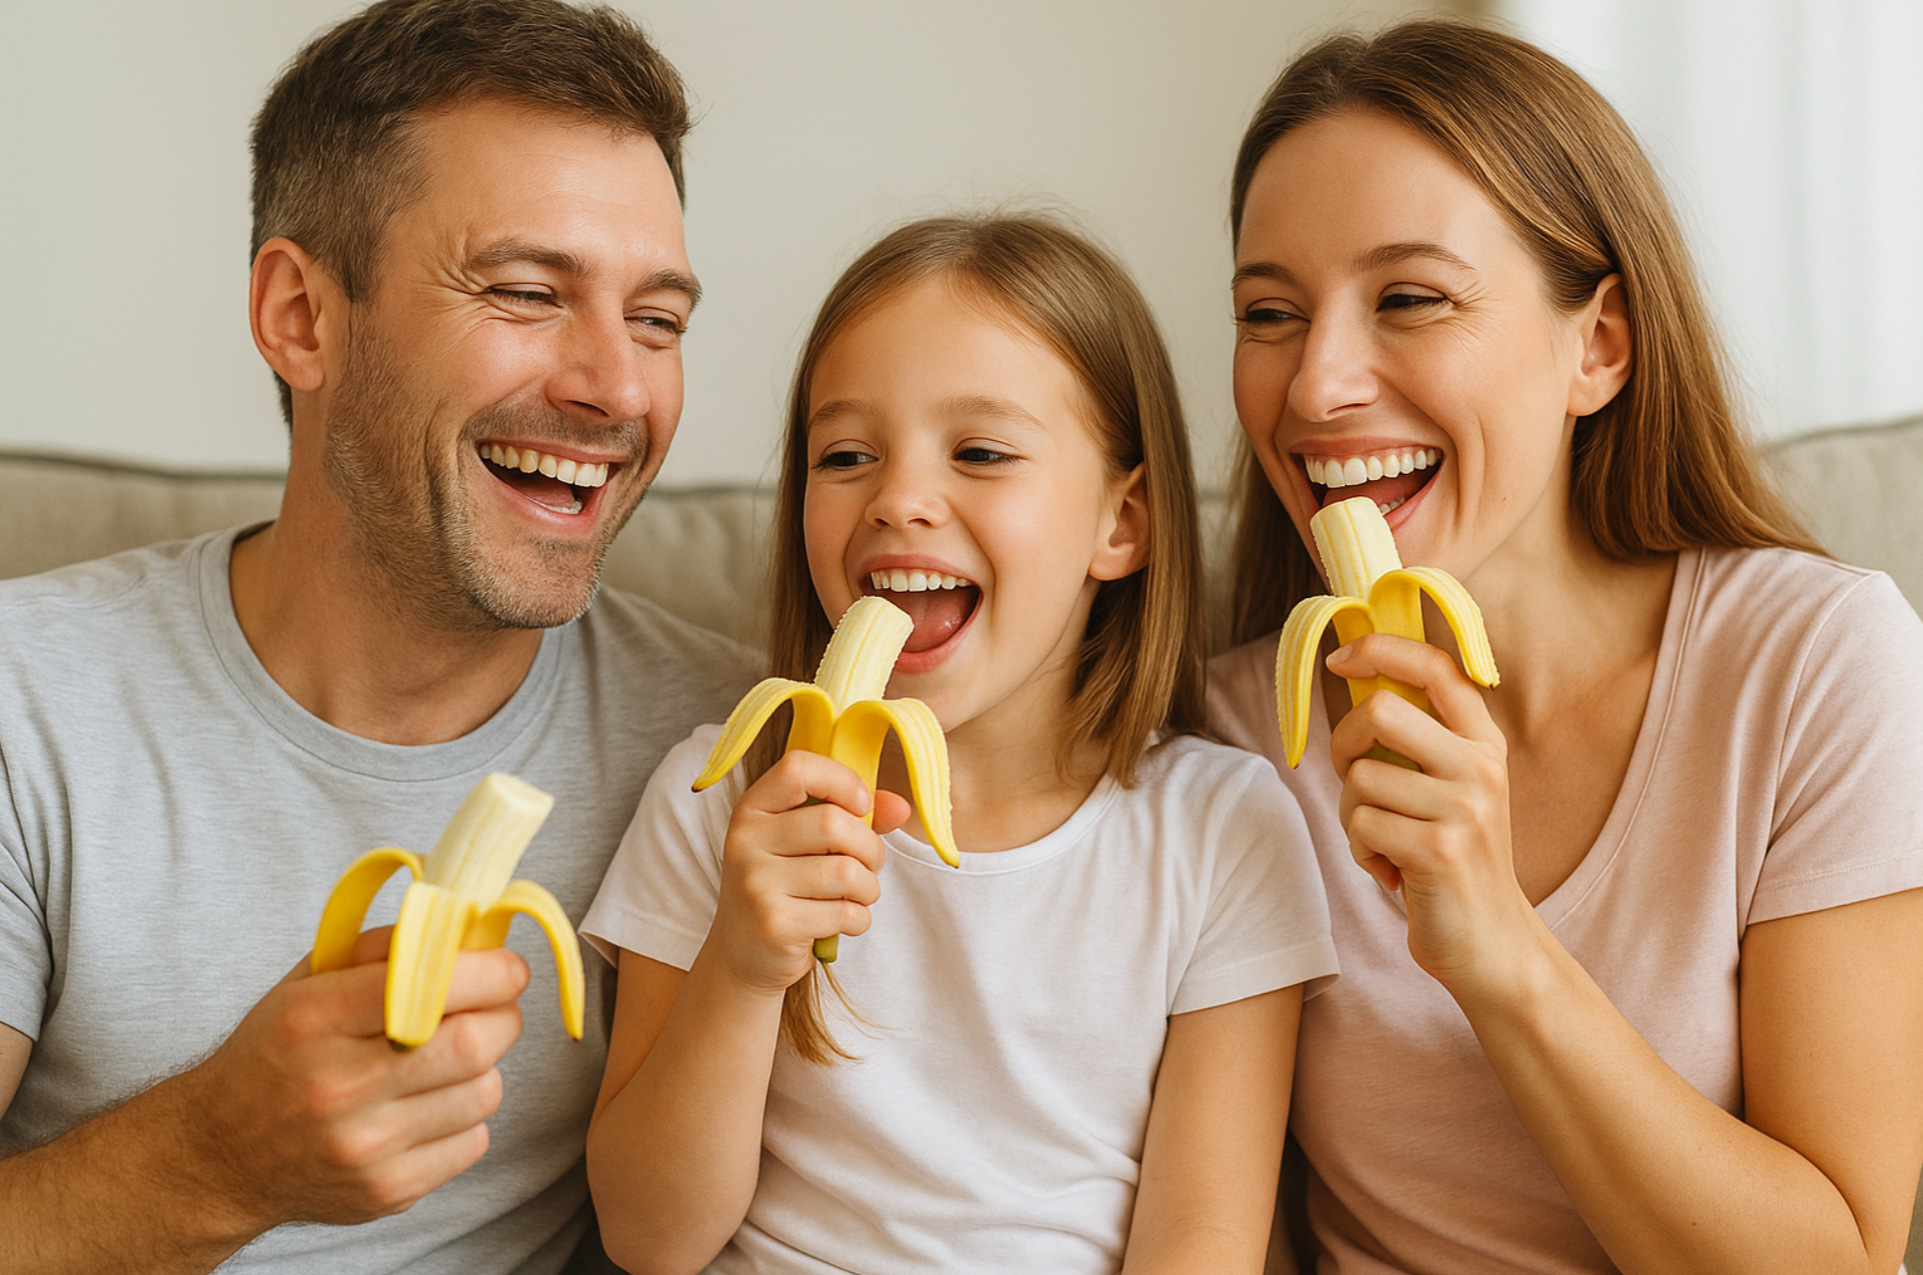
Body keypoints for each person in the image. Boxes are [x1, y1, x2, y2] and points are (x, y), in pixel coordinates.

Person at [0, 2, 753, 1271]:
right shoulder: (28, 708)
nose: (619, 387)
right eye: (527, 293)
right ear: (301, 315)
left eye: (659, 321)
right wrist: (211, 1158)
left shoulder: (725, 757)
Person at [1205, 19, 1923, 1274]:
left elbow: (1839, 1259)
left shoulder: (1815, 664)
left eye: (1410, 298)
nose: (1315, 386)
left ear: (1598, 345)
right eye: (1271, 313)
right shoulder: (1223, 733)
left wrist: (1497, 945)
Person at [580, 213, 1339, 1274]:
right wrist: (742, 970)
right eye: (845, 456)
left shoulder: (1221, 828)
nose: (897, 500)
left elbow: (1204, 1239)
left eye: (980, 452)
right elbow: (647, 1237)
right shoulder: (719, 797)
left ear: (1122, 523)